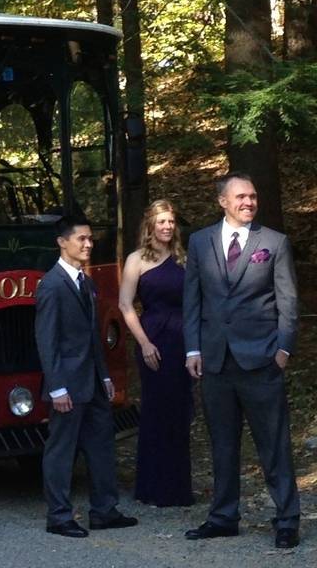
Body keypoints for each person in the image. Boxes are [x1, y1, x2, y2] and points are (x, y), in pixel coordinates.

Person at [183, 172, 300, 549]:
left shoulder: (274, 242)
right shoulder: (199, 242)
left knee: (274, 445)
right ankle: (223, 517)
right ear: (223, 201)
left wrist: (283, 349)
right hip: (216, 362)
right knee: (222, 444)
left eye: (252, 196)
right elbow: (193, 300)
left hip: (262, 360)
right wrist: (193, 349)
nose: (248, 202)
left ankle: (286, 519)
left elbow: (289, 301)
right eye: (240, 197)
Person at [36, 216, 138, 538]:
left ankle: (104, 511)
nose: (88, 244)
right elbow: (46, 339)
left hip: (93, 380)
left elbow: (93, 337)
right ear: (62, 242)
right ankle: (59, 516)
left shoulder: (87, 283)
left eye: (91, 239)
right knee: (61, 451)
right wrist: (56, 387)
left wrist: (105, 377)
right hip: (67, 383)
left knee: (101, 446)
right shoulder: (51, 285)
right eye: (81, 239)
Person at [118, 200, 194, 507]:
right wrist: (145, 342)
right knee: (156, 411)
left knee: (181, 410)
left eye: (171, 222)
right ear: (150, 225)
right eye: (161, 221)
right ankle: (152, 487)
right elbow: (125, 305)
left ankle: (178, 488)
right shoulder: (136, 260)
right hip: (152, 339)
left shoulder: (184, 258)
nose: (167, 226)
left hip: (182, 339)